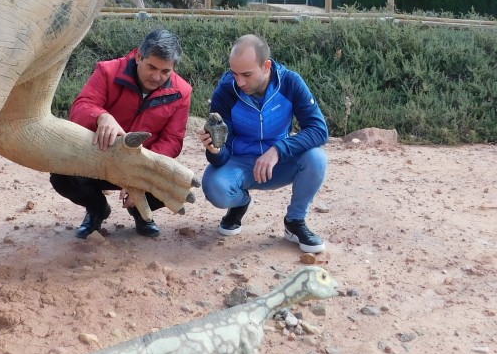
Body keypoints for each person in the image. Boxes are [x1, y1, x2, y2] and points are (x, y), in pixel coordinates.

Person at [51, 28, 192, 239]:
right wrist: (101, 116)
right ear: (138, 56)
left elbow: (172, 141)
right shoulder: (107, 71)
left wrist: (140, 171)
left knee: (175, 181)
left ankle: (140, 212)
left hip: (142, 164)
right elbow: (80, 108)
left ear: (174, 68)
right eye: (151, 67)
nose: (156, 77)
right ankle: (97, 209)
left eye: (165, 71)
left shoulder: (183, 92)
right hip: (100, 160)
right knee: (61, 175)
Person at [197, 34, 329, 253]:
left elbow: (319, 129)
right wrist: (214, 150)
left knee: (317, 158)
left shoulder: (290, 82)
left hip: (278, 164)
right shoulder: (226, 92)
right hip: (240, 163)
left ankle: (295, 222)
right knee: (213, 186)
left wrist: (278, 150)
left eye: (246, 74)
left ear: (266, 66)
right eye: (234, 73)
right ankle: (239, 204)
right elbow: (222, 155)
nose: (239, 82)